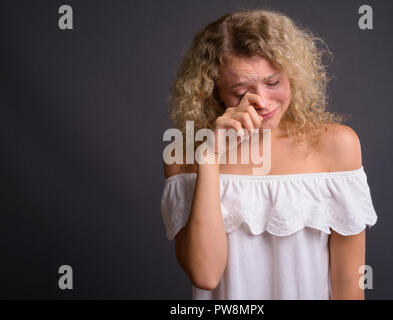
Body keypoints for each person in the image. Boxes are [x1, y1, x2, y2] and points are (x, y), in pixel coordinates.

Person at [160, 8, 378, 300]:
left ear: (293, 75)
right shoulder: (183, 155)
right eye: (240, 91)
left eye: (273, 83)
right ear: (215, 92)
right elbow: (206, 274)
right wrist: (209, 158)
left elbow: (348, 285)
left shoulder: (337, 145)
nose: (262, 101)